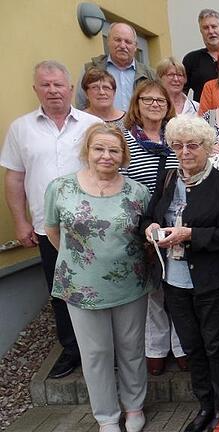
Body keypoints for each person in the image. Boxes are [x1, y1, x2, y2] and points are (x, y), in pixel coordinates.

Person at [44, 124, 150, 432]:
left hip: (130, 281)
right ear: (87, 152)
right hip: (81, 286)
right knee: (96, 353)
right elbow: (53, 231)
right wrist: (82, 258)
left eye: (114, 150)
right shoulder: (61, 188)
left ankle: (134, 407)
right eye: (99, 149)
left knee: (131, 347)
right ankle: (106, 416)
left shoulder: (136, 191)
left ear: (123, 155)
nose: (106, 155)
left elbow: (144, 233)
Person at [142, 114, 219, 432]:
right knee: (192, 345)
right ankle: (204, 405)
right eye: (178, 145)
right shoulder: (168, 179)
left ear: (207, 147)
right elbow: (147, 217)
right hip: (174, 279)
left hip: (213, 279)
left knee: (214, 345)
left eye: (193, 145)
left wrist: (189, 235)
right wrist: (151, 228)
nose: (185, 151)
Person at [2, 61, 102, 379]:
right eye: (45, 84)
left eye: (58, 84)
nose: (53, 90)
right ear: (36, 89)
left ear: (70, 88)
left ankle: (101, 349)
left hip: (92, 227)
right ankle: (71, 349)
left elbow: (108, 167)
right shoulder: (21, 128)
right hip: (49, 228)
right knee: (61, 290)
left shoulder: (91, 124)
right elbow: (15, 178)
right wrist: (20, 222)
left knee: (97, 287)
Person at [121, 80, 184, 375]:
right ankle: (156, 349)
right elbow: (120, 180)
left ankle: (181, 346)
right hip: (139, 222)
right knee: (153, 290)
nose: (155, 104)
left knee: (176, 287)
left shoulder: (175, 137)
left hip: (174, 221)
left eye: (161, 100)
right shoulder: (126, 140)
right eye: (148, 99)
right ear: (137, 103)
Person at [77, 23, 156, 111]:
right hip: (101, 124)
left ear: (135, 46)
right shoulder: (90, 69)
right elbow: (81, 106)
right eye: (118, 40)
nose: (122, 46)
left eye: (128, 42)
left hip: (139, 125)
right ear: (108, 41)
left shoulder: (150, 75)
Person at [183, 9, 219, 102]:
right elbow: (181, 91)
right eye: (206, 28)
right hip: (205, 114)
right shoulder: (191, 59)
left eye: (214, 26)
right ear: (201, 31)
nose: (210, 31)